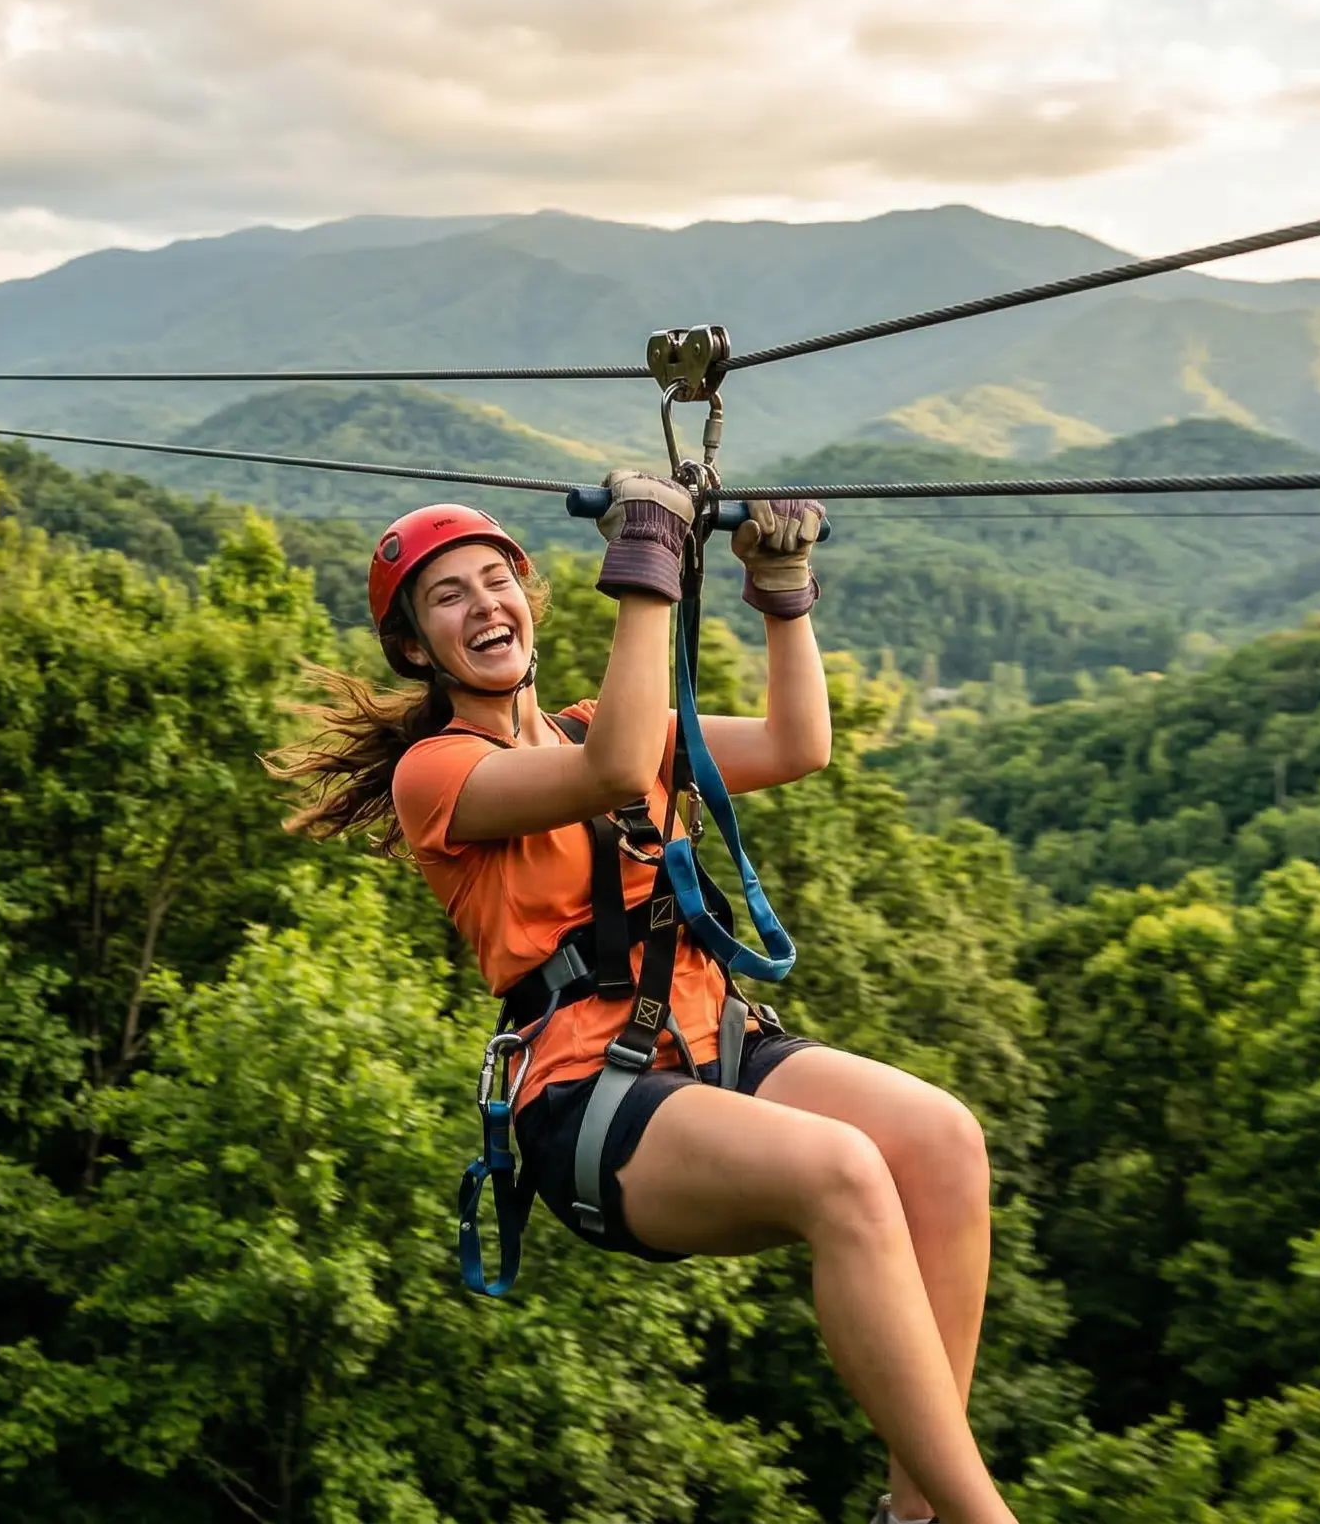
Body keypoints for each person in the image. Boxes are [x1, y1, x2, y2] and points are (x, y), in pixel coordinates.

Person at [270, 480, 1010, 1524]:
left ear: (529, 599)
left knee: (942, 1141)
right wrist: (647, 564)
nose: (483, 605)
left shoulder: (592, 722)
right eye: (447, 599)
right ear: (415, 649)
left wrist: (781, 592)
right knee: (843, 1171)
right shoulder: (435, 774)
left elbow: (800, 745)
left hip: (713, 1042)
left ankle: (917, 1514)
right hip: (590, 1101)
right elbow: (611, 768)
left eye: (496, 581)